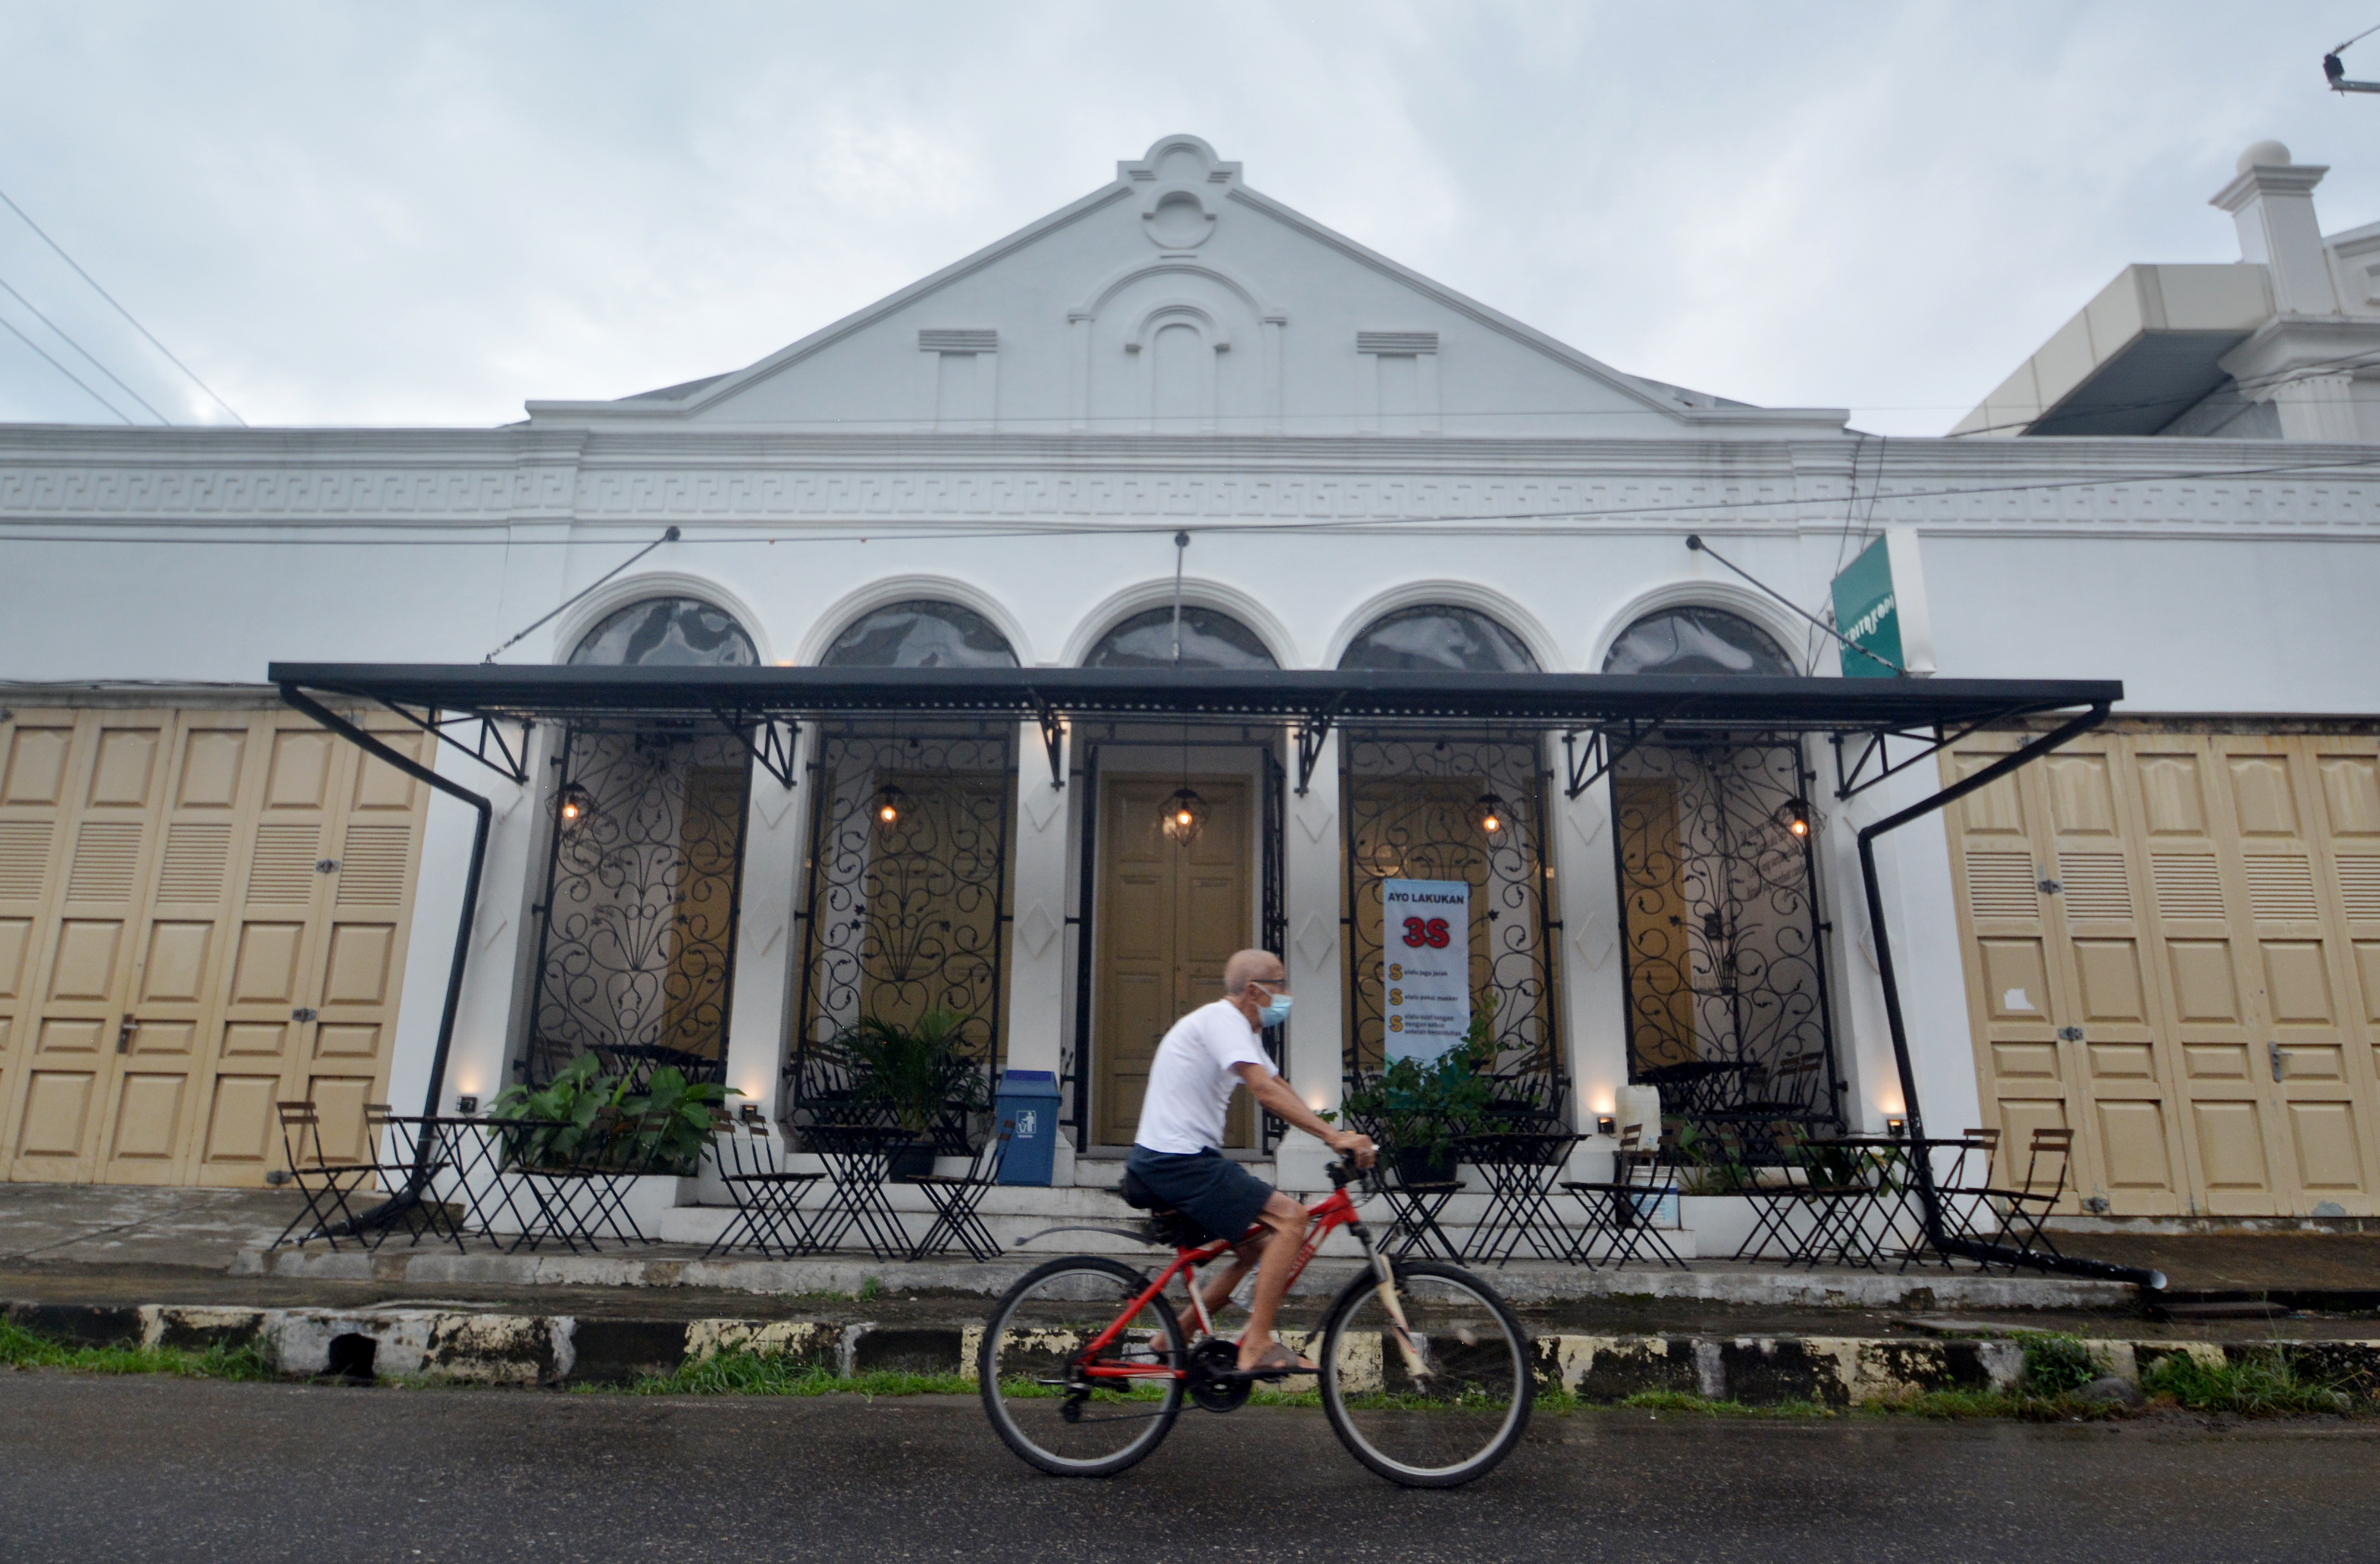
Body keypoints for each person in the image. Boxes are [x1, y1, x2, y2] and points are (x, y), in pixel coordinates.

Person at [1125, 947, 1376, 1375]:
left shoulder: (1241, 1028)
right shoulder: (1223, 1021)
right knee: (1292, 1219)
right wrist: (1333, 1137)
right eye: (1281, 985)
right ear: (1255, 991)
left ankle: (1173, 1336)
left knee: (1258, 1248)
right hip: (1175, 1162)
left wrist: (1335, 1134)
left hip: (1184, 1160)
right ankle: (1256, 1344)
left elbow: (1277, 1081)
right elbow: (1263, 1090)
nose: (1287, 994)